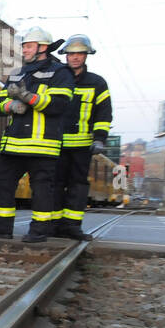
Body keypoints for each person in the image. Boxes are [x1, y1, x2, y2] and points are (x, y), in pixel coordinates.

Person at [0, 26, 74, 242]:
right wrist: (12, 105)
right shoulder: (17, 73)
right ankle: (1, 226)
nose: (24, 50)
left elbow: (59, 105)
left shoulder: (61, 73)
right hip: (14, 144)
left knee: (41, 188)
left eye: (29, 46)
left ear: (43, 48)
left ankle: (39, 230)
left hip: (43, 144)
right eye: (24, 46)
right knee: (1, 182)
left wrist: (27, 97)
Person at [53, 34, 112, 240]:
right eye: (71, 54)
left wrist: (100, 139)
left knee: (78, 186)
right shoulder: (57, 77)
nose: (75, 57)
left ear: (86, 56)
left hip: (82, 146)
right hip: (55, 144)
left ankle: (72, 227)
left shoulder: (97, 83)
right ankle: (53, 225)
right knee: (54, 184)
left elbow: (104, 114)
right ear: (65, 56)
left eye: (80, 53)